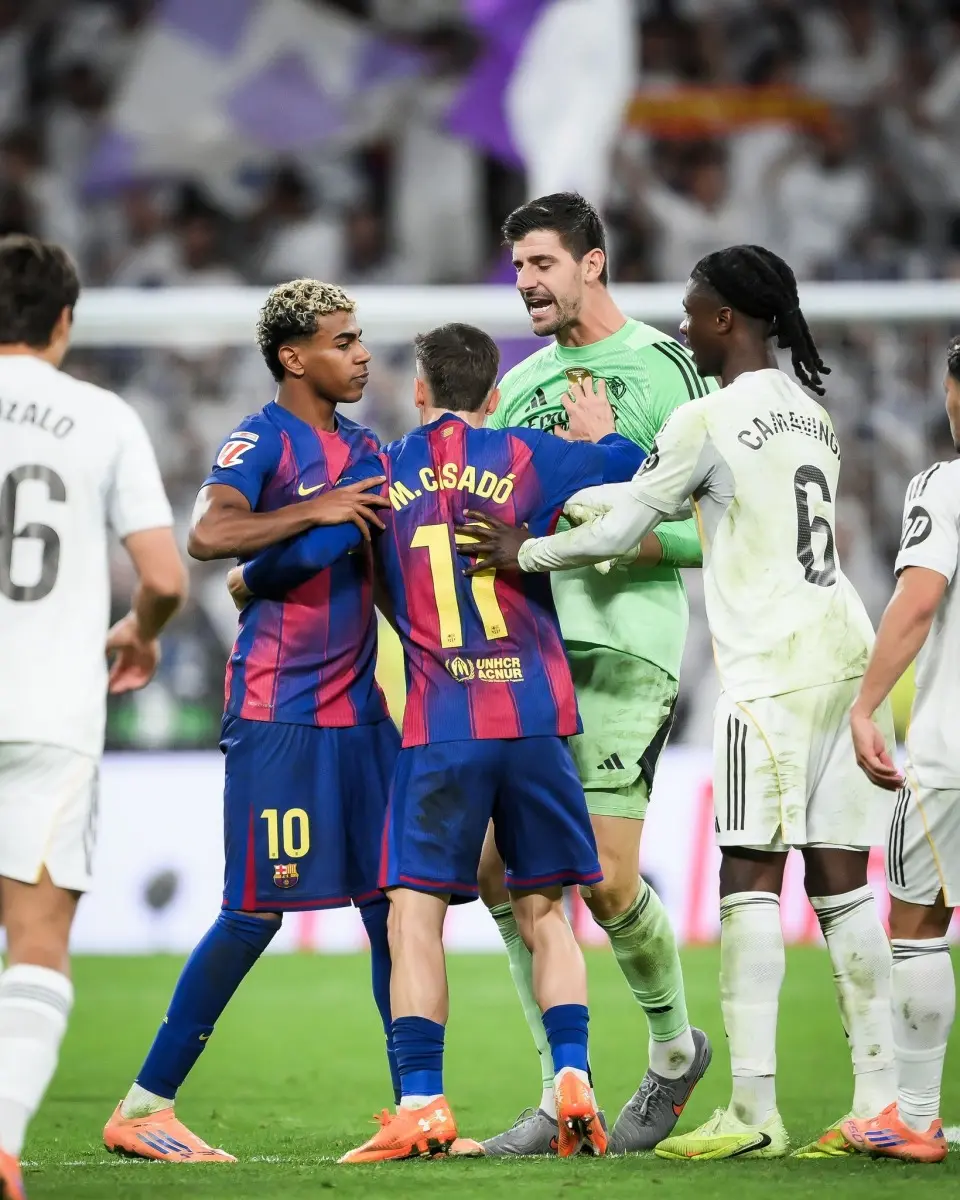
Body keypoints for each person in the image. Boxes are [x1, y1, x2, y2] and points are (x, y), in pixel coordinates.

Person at [463, 245, 898, 1161]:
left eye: (696, 313)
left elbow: (626, 523)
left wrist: (524, 549)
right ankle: (882, 1103)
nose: (686, 327)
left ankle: (752, 1110)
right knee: (842, 885)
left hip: (768, 668)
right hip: (843, 652)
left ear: (727, 319)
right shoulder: (810, 414)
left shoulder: (705, 414)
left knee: (747, 880)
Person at [230, 322, 647, 1162]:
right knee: (544, 912)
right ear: (494, 393)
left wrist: (250, 577)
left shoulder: (381, 471)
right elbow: (629, 466)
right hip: (534, 716)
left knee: (413, 916)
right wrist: (600, 438)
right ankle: (574, 1080)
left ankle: (421, 1101)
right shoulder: (529, 454)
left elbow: (309, 551)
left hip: (442, 722)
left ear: (419, 390)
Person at [103, 279, 398, 1162]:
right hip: (280, 712)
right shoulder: (259, 438)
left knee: (392, 908)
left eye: (361, 338)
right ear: (292, 357)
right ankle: (144, 1106)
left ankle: (415, 1104)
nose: (361, 354)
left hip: (362, 715)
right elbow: (207, 534)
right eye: (343, 341)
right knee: (254, 913)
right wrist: (315, 509)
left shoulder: (367, 447)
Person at [481, 192, 711, 1155]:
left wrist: (596, 516)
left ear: (593, 263)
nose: (526, 282)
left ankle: (674, 1052)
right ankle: (559, 1094)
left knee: (610, 884)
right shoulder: (519, 384)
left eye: (541, 263)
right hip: (526, 654)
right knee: (500, 874)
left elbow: (711, 532)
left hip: (624, 647)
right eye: (518, 267)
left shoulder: (665, 369)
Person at [0, 234, 186, 1200]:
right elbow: (164, 576)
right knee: (35, 942)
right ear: (65, 322)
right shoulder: (102, 416)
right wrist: (140, 633)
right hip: (48, 710)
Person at [839, 337, 960, 1165]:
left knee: (918, 921)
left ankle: (914, 1117)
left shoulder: (944, 484)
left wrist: (866, 704)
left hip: (952, 752)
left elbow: (918, 600)